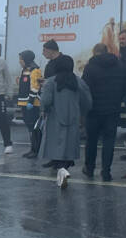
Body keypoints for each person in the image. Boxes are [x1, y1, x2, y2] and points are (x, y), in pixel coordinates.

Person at [38, 56, 92, 188]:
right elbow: (87, 102)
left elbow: (45, 101)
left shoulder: (51, 82)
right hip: (73, 119)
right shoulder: (78, 82)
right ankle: (63, 170)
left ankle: (61, 171)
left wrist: (44, 109)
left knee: (56, 147)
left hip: (55, 118)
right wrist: (82, 112)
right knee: (68, 148)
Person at [81, 43, 125, 181]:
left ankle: (89, 168)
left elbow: (84, 89)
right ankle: (106, 171)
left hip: (93, 110)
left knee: (92, 140)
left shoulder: (90, 68)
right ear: (107, 51)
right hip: (112, 109)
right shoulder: (118, 66)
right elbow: (124, 86)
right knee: (109, 141)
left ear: (95, 53)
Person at [17, 50, 43, 158]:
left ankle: (36, 150)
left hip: (31, 103)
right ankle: (33, 149)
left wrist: (31, 102)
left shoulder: (34, 70)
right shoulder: (25, 70)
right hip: (24, 102)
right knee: (30, 127)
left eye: (21, 59)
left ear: (26, 59)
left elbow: (35, 87)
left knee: (34, 127)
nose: (20, 61)